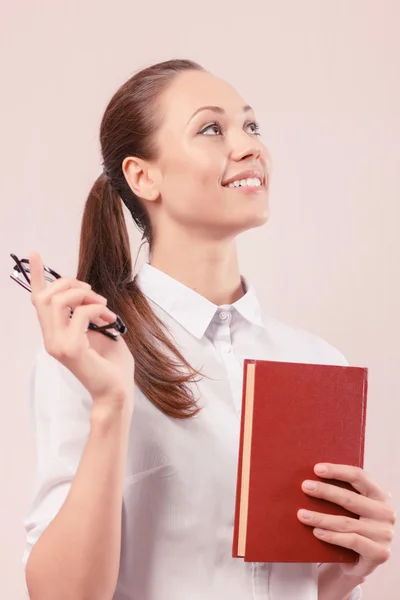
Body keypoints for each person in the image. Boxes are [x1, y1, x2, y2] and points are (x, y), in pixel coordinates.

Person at [22, 59, 395, 600]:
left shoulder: (318, 363)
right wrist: (110, 405)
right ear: (142, 176)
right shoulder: (92, 355)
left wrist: (344, 572)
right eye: (211, 128)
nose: (249, 147)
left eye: (251, 126)